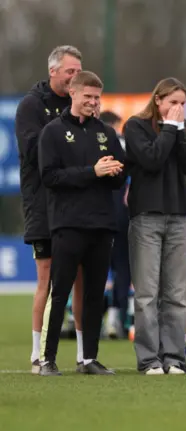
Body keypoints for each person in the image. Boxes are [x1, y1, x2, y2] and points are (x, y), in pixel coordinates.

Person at [37, 71, 126, 376]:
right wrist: (93, 172)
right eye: (87, 96)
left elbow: (118, 180)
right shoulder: (52, 132)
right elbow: (50, 177)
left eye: (96, 97)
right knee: (59, 292)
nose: (92, 102)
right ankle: (47, 359)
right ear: (72, 94)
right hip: (68, 223)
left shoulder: (107, 133)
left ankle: (88, 359)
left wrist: (116, 172)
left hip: (102, 224)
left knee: (94, 294)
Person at [124, 77, 186, 375]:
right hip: (146, 216)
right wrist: (170, 129)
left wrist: (180, 131)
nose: (179, 109)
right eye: (173, 102)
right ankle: (149, 359)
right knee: (146, 293)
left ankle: (174, 357)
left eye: (183, 103)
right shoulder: (135, 126)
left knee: (175, 293)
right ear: (157, 100)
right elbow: (152, 159)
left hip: (179, 216)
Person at [15, 45, 86, 374]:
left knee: (80, 279)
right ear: (53, 71)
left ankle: (84, 354)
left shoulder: (83, 105)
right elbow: (33, 153)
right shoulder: (32, 105)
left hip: (78, 205)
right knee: (47, 278)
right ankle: (37, 353)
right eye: (70, 71)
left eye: (78, 71)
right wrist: (66, 128)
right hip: (44, 204)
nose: (75, 77)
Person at [99, 111, 131, 339]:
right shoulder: (123, 145)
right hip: (121, 214)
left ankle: (89, 319)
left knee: (96, 269)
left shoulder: (92, 144)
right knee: (122, 268)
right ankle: (118, 317)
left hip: (97, 212)